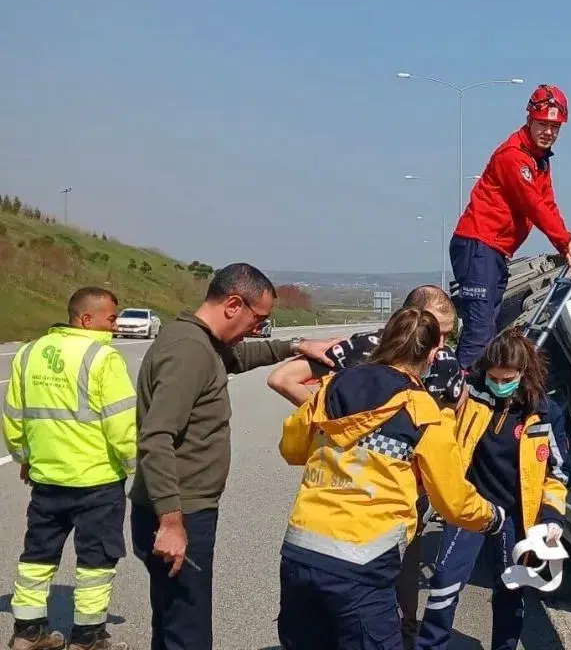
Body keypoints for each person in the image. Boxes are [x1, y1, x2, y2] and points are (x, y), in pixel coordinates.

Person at [129, 263, 341, 650]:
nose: (257, 330)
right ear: (232, 304)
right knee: (187, 631)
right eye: (258, 319)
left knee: (173, 619)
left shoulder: (198, 342)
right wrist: (172, 522)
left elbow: (238, 359)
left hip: (181, 507)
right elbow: (156, 436)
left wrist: (295, 347)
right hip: (179, 511)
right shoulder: (189, 352)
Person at [275, 305, 504, 649]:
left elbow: (291, 448)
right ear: (430, 356)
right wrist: (492, 518)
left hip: (300, 552)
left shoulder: (331, 387)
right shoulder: (424, 413)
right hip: (362, 565)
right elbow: (454, 502)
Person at [415, 328, 569, 650]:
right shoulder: (471, 394)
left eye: (507, 379)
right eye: (494, 378)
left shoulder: (543, 413)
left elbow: (557, 472)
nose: (499, 385)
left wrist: (552, 516)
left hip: (515, 514)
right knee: (444, 581)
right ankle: (430, 645)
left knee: (510, 589)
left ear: (523, 374)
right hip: (472, 506)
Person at [3, 287, 137, 650]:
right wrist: (134, 466)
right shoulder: (103, 357)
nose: (115, 325)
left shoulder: (29, 353)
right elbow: (121, 422)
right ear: (86, 318)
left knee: (37, 556)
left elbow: (14, 415)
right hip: (97, 480)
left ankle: (27, 633)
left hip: (46, 479)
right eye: (111, 318)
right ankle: (88, 638)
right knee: (96, 562)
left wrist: (24, 458)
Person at [450, 83, 571, 369]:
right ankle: (457, 401)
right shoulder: (513, 157)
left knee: (488, 333)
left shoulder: (539, 161)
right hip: (479, 245)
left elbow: (548, 204)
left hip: (494, 251)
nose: (549, 132)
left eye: (555, 127)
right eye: (543, 124)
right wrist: (567, 244)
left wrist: (568, 246)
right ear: (529, 120)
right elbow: (534, 205)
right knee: (479, 335)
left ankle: (478, 397)